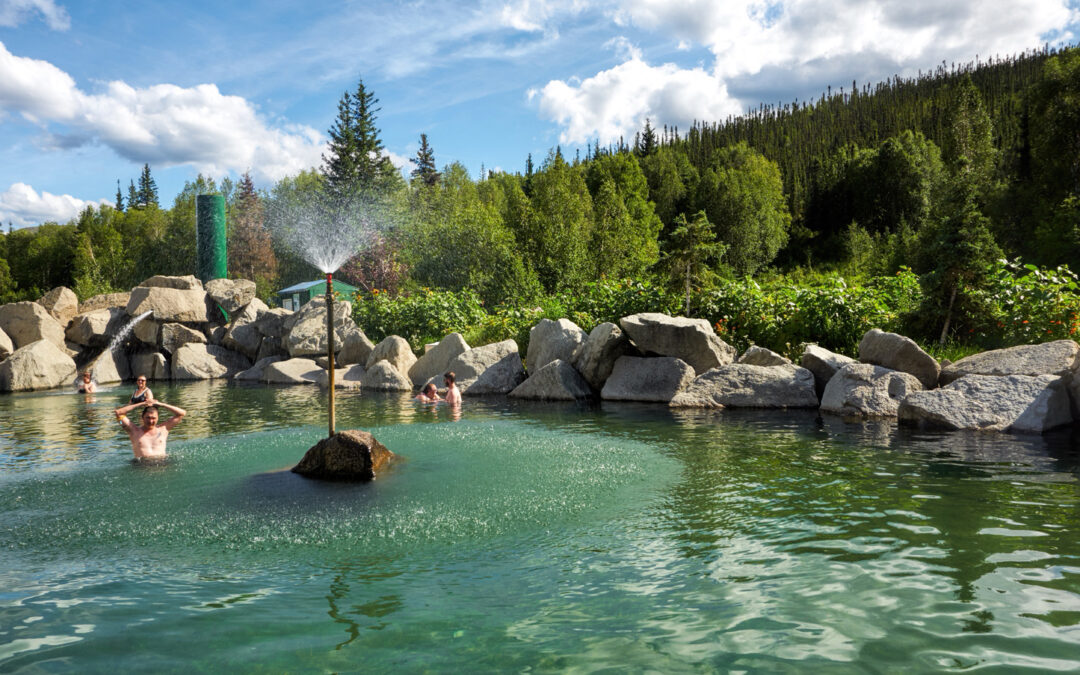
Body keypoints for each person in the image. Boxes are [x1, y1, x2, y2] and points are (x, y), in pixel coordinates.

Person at [114, 398, 186, 460]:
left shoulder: (164, 429)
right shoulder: (133, 431)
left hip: (162, 463)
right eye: (148, 418)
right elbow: (118, 413)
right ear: (142, 417)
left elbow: (182, 413)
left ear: (158, 418)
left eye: (153, 418)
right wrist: (142, 404)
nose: (151, 421)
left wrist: (161, 404)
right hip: (142, 466)